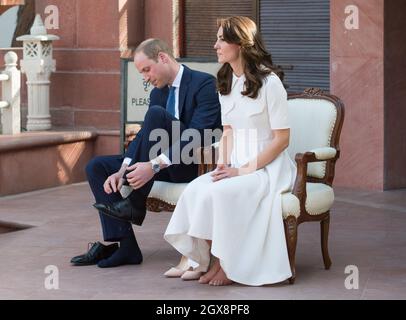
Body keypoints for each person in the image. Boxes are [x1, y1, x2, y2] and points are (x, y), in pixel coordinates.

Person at [164, 16, 297, 286]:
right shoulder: (226, 83)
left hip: (268, 168)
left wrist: (243, 170)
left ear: (241, 44)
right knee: (198, 189)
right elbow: (228, 132)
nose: (215, 45)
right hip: (236, 163)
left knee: (222, 193)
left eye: (221, 40)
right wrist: (223, 166)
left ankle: (229, 265)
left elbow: (282, 140)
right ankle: (213, 260)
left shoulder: (270, 84)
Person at [70, 38, 221, 268]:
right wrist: (123, 169)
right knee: (97, 167)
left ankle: (135, 202)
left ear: (162, 57)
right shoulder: (158, 93)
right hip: (156, 163)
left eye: (146, 70)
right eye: (141, 73)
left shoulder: (204, 83)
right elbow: (144, 136)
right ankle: (127, 247)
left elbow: (198, 135)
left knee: (156, 115)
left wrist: (153, 166)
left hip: (190, 164)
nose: (146, 78)